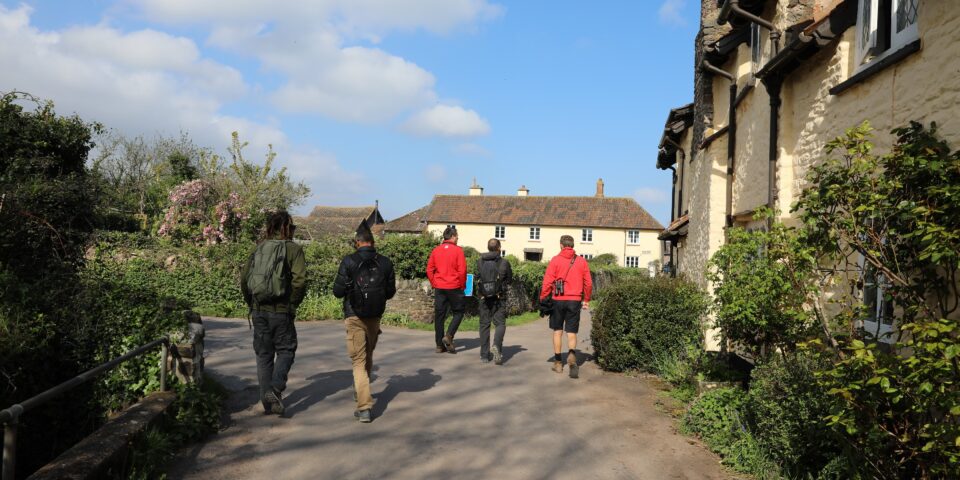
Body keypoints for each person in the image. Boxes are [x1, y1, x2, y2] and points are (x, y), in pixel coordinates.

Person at [241, 210, 306, 415]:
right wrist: (293, 304)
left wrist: (251, 303)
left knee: (264, 354)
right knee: (286, 350)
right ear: (287, 227)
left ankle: (267, 403)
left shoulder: (258, 248)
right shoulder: (293, 249)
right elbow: (300, 280)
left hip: (258, 310)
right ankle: (276, 388)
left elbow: (244, 279)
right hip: (282, 311)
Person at [333, 225, 396, 423]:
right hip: (375, 317)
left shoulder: (349, 261)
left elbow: (337, 292)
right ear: (373, 243)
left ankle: (364, 407)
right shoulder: (385, 263)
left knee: (358, 360)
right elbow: (390, 292)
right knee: (367, 355)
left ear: (357, 242)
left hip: (354, 316)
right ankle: (361, 392)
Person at [539, 235, 592, 378]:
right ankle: (572, 355)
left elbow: (547, 282)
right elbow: (588, 283)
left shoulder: (555, 260)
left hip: (558, 300)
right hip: (574, 301)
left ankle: (557, 363)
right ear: (572, 246)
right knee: (571, 332)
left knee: (557, 331)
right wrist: (586, 299)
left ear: (561, 245)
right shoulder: (581, 261)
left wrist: (543, 297)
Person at [426, 226, 467, 354]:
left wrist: (434, 283)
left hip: (439, 287)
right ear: (453, 237)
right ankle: (449, 336)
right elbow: (462, 271)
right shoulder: (458, 251)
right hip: (454, 286)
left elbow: (429, 270)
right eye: (457, 236)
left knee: (439, 316)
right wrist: (462, 285)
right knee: (459, 312)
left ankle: (439, 345)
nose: (458, 238)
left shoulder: (436, 250)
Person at [476, 238, 513, 365]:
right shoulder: (504, 262)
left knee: (484, 325)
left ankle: (484, 355)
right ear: (499, 248)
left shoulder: (480, 261)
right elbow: (509, 280)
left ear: (488, 247)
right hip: (499, 298)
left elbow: (477, 277)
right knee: (500, 324)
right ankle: (496, 346)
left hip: (483, 297)